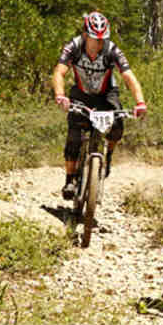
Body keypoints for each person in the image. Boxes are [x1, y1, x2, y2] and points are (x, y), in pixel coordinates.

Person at [52, 11, 147, 200]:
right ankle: (70, 179)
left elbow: (129, 77)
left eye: (103, 39)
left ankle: (108, 155)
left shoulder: (112, 50)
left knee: (118, 125)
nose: (99, 43)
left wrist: (140, 102)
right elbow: (59, 72)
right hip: (81, 93)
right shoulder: (74, 46)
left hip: (106, 94)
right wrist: (60, 95)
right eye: (95, 39)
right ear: (86, 35)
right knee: (74, 134)